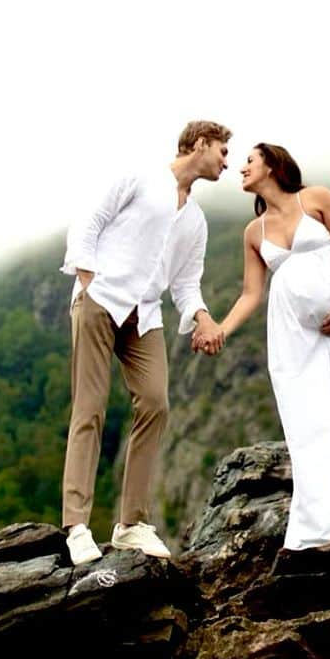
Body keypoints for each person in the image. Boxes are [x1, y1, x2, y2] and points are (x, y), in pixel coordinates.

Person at [197, 143, 330, 549]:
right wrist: (221, 329)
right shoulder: (253, 233)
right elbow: (250, 294)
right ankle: (321, 523)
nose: (241, 167)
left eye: (249, 160)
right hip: (295, 334)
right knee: (310, 417)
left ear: (273, 166)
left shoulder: (316, 198)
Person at [59, 120, 230, 565]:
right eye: (223, 150)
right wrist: (88, 279)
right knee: (90, 409)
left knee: (155, 403)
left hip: (145, 315)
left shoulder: (196, 221)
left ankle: (130, 524)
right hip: (101, 300)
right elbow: (89, 220)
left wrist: (204, 319)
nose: (227, 161)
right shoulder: (139, 177)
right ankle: (76, 526)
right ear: (199, 143)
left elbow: (187, 285)